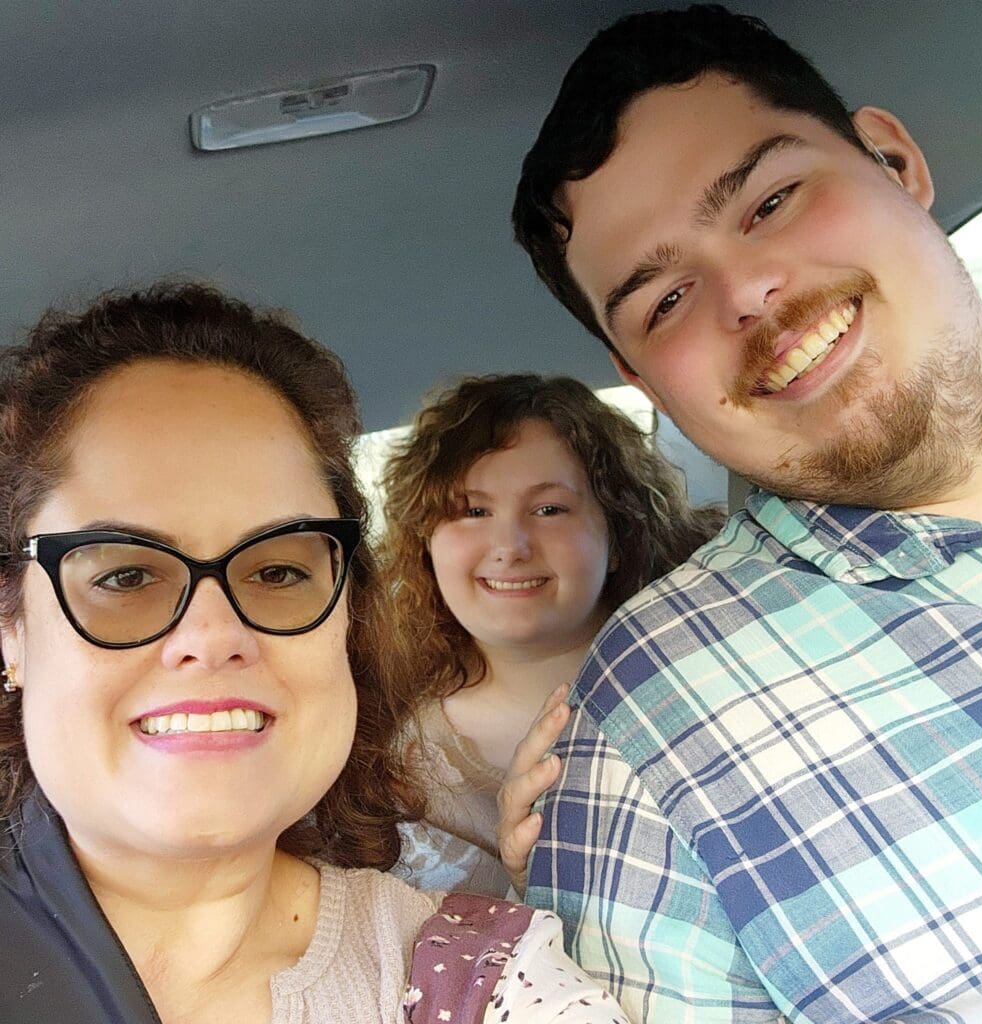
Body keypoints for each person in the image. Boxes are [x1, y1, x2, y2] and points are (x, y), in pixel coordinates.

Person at [502, 5, 982, 1023]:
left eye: (771, 201)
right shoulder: (647, 743)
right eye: (663, 302)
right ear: (641, 379)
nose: (745, 292)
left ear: (894, 161)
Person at [0, 283, 629, 1024]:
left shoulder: (485, 983)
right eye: (124, 576)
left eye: (277, 572)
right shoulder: (419, 741)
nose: (213, 635)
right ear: (11, 628)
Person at [376, 373, 722, 895]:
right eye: (473, 511)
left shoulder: (712, 686)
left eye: (549, 509)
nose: (510, 547)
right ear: (425, 542)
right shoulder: (382, 757)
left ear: (618, 535)